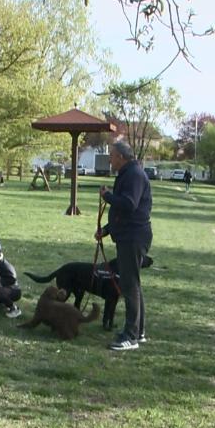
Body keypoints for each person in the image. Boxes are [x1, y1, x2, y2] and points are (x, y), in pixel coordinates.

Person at [95, 141, 152, 351]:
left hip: (134, 238)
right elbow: (123, 214)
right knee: (133, 284)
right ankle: (139, 331)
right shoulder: (128, 174)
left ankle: (130, 337)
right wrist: (107, 230)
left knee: (129, 286)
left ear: (121, 157)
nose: (109, 159)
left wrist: (107, 196)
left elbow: (129, 204)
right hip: (128, 235)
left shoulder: (134, 175)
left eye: (111, 155)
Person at [0, 238, 23, 318]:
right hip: (2, 286)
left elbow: (12, 279)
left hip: (13, 289)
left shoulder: (4, 265)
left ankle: (14, 308)